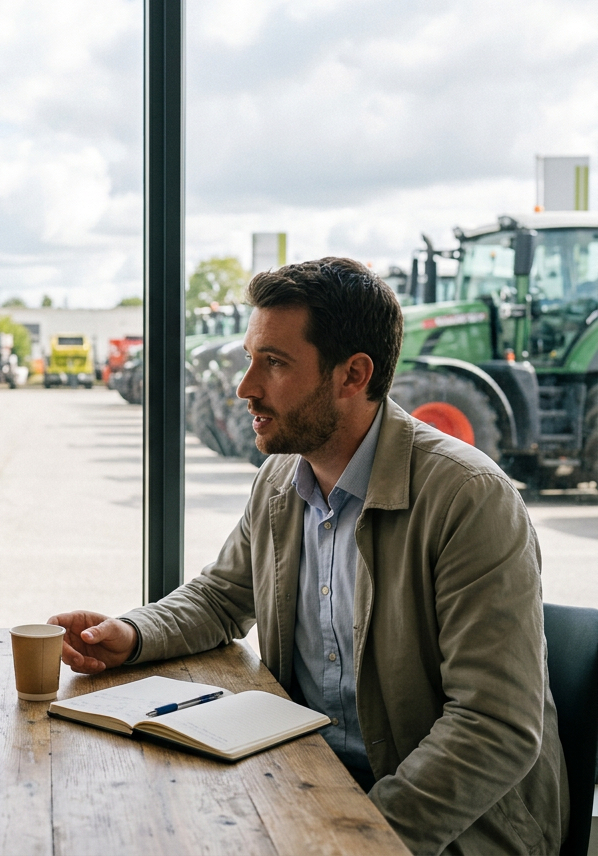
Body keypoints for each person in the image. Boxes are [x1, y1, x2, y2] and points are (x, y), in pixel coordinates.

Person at [51, 257, 567, 855]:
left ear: (352, 375)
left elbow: (494, 728)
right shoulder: (280, 479)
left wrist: (354, 837)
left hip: (449, 829)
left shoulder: (469, 499)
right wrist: (132, 633)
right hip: (311, 784)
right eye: (250, 359)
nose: (245, 388)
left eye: (273, 363)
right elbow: (222, 597)